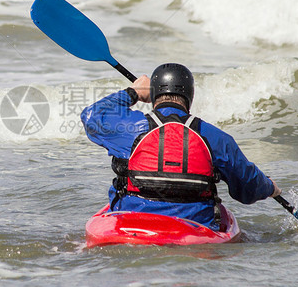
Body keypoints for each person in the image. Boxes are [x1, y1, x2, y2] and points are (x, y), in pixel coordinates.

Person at [80, 63, 281, 231]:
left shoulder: (131, 128)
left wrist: (133, 92)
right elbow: (248, 187)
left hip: (132, 224)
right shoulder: (215, 137)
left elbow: (91, 116)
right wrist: (270, 187)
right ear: (190, 97)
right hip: (194, 228)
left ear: (154, 95)